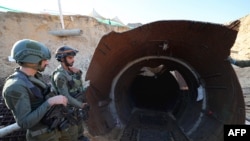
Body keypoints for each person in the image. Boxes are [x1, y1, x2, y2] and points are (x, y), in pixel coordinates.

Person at [2, 39, 70, 141]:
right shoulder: (15, 87)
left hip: (52, 129)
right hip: (41, 136)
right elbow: (24, 123)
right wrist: (50, 102)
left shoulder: (34, 77)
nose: (47, 63)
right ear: (32, 60)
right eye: (44, 59)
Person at [51, 45, 90, 141]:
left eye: (73, 57)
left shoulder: (70, 71)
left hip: (76, 110)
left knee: (80, 133)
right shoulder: (60, 76)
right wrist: (81, 105)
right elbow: (66, 96)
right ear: (62, 59)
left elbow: (78, 87)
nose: (73, 60)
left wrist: (79, 73)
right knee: (72, 135)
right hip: (68, 113)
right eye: (70, 58)